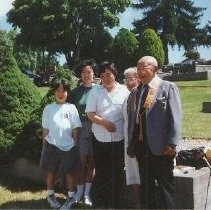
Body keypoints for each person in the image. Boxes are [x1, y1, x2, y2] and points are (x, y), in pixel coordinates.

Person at [127, 56, 182, 209]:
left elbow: (176, 118)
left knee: (166, 187)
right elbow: (134, 120)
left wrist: (172, 143)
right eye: (137, 68)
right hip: (141, 147)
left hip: (162, 148)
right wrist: (132, 143)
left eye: (143, 67)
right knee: (146, 186)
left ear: (155, 69)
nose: (139, 72)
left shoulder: (168, 87)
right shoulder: (136, 92)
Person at [85, 61, 129, 208]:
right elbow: (90, 114)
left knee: (117, 170)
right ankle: (100, 203)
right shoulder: (95, 91)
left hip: (119, 138)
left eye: (108, 74)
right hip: (99, 138)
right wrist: (104, 123)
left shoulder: (124, 91)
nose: (106, 78)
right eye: (102, 75)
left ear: (115, 74)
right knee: (102, 170)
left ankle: (116, 203)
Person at [40, 78, 82, 209]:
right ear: (54, 92)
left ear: (67, 93)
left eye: (63, 91)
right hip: (51, 145)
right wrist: (45, 145)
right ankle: (50, 196)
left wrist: (74, 143)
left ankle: (71, 197)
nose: (61, 93)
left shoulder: (72, 108)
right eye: (58, 90)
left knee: (70, 172)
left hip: (69, 146)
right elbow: (45, 129)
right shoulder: (48, 108)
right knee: (51, 171)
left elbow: (75, 128)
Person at [69, 59, 96, 206]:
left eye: (89, 72)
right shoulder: (75, 92)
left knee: (91, 162)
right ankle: (79, 192)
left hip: (95, 129)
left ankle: (87, 194)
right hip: (79, 129)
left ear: (93, 74)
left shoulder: (99, 90)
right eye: (84, 72)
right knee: (80, 162)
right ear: (80, 74)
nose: (86, 75)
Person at [123, 67, 141, 208]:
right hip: (129, 141)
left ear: (138, 78)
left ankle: (139, 204)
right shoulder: (128, 96)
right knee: (133, 175)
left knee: (137, 174)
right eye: (126, 79)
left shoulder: (137, 94)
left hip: (135, 143)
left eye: (131, 79)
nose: (128, 82)